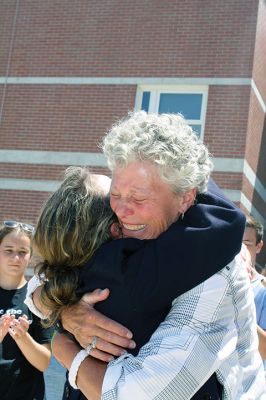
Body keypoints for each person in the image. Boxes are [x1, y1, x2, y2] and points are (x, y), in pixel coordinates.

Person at [29, 111, 264, 399]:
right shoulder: (127, 238)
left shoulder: (214, 273)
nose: (122, 211)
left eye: (139, 199)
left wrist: (65, 350)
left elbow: (142, 394)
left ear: (186, 198)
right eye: (115, 194)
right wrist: (67, 312)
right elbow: (42, 283)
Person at [0, 221, 53, 400]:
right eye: (8, 250)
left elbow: (44, 363)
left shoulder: (39, 297)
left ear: (30, 256)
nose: (15, 258)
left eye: (22, 252)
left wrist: (23, 338)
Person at [243, 216, 266, 365]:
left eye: (246, 244)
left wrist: (240, 307)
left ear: (258, 246)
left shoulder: (263, 289)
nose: (240, 250)